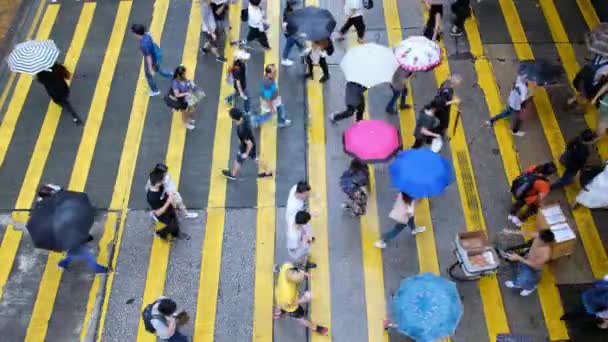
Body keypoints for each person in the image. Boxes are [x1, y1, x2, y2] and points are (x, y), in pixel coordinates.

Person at [273, 263, 329, 336]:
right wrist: (304, 299)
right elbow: (292, 303)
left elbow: (296, 270)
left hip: (278, 293)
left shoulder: (286, 267)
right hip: (290, 307)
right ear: (295, 282)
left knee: (279, 305)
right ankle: (316, 328)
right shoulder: (288, 295)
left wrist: (304, 274)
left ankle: (277, 314)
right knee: (300, 318)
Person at [221, 108, 273, 180]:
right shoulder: (243, 117)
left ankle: (233, 174)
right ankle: (268, 172)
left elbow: (250, 144)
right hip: (248, 142)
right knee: (255, 158)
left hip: (246, 147)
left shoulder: (242, 130)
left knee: (239, 159)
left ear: (234, 119)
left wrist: (246, 153)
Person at [502, 228, 555, 296]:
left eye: (539, 240)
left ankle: (529, 288)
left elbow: (535, 265)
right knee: (521, 273)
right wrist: (511, 231)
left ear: (545, 243)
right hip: (526, 259)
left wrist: (519, 258)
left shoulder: (546, 254)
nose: (536, 239)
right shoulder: (539, 236)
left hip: (533, 269)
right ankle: (519, 282)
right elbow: (527, 233)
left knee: (525, 279)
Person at [508, 162, 556, 227]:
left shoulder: (533, 167)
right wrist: (537, 205)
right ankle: (519, 220)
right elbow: (539, 199)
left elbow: (524, 174)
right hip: (529, 198)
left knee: (518, 203)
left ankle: (512, 213)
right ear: (549, 174)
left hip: (521, 192)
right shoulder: (545, 185)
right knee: (531, 210)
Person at [131, 24, 173, 96]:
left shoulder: (143, 45)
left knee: (149, 76)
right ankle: (171, 75)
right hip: (156, 54)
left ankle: (155, 90)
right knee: (158, 69)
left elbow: (148, 57)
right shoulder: (147, 35)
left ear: (137, 34)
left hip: (153, 59)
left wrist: (150, 70)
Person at [147, 170, 187, 241]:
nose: (164, 180)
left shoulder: (160, 186)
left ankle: (176, 234)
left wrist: (170, 196)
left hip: (169, 209)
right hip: (163, 215)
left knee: (175, 221)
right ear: (158, 183)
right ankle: (160, 234)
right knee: (170, 226)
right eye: (163, 179)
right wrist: (168, 202)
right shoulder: (152, 197)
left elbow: (165, 191)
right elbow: (158, 213)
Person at [248, 64, 291, 128]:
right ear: (268, 74)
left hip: (275, 99)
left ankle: (281, 121)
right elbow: (267, 98)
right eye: (274, 72)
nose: (275, 73)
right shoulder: (268, 83)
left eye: (276, 71)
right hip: (271, 101)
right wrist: (271, 108)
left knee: (280, 107)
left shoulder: (270, 78)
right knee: (270, 114)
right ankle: (256, 119)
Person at [170, 65, 197, 130]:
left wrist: (190, 83)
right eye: (184, 74)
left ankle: (188, 119)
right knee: (184, 112)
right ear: (179, 75)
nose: (185, 74)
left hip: (188, 97)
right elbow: (177, 95)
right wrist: (187, 93)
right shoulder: (175, 83)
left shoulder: (182, 78)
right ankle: (186, 123)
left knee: (191, 109)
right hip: (182, 100)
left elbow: (186, 83)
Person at [225, 49, 251, 114]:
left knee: (237, 94)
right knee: (247, 97)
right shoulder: (237, 69)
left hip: (242, 83)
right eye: (245, 58)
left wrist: (242, 52)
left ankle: (228, 99)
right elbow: (238, 82)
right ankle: (247, 111)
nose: (247, 59)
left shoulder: (237, 61)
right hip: (241, 86)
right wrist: (241, 92)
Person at [281, 0, 305, 66]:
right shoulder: (289, 14)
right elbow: (284, 25)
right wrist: (286, 32)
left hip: (293, 32)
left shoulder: (289, 10)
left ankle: (302, 49)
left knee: (296, 39)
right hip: (291, 33)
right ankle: (284, 59)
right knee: (288, 46)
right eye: (296, 5)